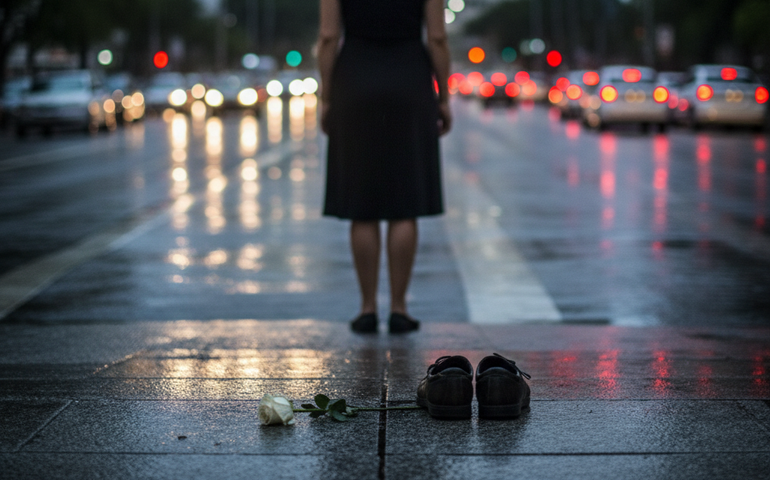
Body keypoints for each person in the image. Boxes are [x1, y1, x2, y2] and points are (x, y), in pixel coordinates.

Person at [317, 0, 451, 333]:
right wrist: (444, 96)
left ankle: (366, 309)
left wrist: (328, 97)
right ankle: (399, 309)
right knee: (404, 206)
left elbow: (328, 37)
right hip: (410, 81)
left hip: (355, 82)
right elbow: (437, 38)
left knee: (362, 206)